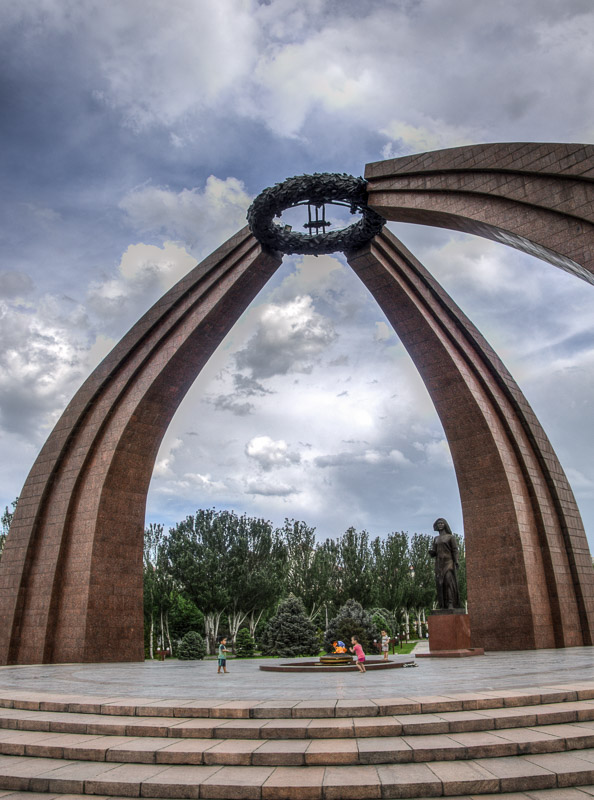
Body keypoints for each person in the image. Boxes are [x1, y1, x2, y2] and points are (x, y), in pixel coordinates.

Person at [429, 518, 461, 609]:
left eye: (442, 523)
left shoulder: (450, 537)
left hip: (449, 562)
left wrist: (456, 561)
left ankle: (451, 603)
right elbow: (434, 552)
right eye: (438, 523)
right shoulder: (436, 539)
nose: (440, 524)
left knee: (448, 582)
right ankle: (443, 604)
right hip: (439, 564)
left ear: (445, 525)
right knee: (440, 583)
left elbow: (455, 550)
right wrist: (432, 553)